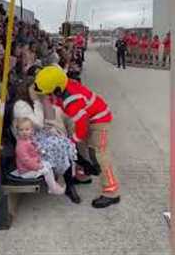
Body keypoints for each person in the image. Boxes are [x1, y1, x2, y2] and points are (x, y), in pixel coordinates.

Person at [34, 66, 121, 208]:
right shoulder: (64, 86)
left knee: (100, 154)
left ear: (56, 89)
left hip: (100, 120)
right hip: (90, 118)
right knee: (80, 148)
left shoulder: (72, 99)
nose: (48, 96)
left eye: (49, 93)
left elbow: (82, 123)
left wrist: (73, 139)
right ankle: (85, 175)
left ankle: (112, 192)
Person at [11, 80, 80, 203]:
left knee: (64, 141)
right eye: (34, 88)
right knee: (58, 144)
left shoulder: (33, 102)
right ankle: (68, 183)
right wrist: (37, 101)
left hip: (36, 135)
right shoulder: (20, 105)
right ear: (27, 90)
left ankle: (70, 182)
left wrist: (44, 100)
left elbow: (49, 117)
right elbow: (36, 123)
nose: (37, 90)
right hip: (27, 140)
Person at [14, 117, 65, 195]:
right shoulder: (21, 146)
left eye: (27, 129)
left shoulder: (28, 140)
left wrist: (39, 151)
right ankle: (54, 189)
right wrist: (37, 166)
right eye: (21, 130)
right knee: (46, 171)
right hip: (26, 171)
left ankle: (52, 186)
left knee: (48, 164)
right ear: (17, 131)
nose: (24, 132)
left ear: (32, 130)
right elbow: (26, 161)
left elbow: (33, 150)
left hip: (32, 166)